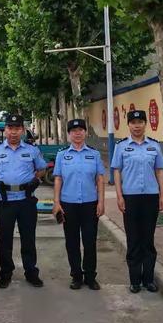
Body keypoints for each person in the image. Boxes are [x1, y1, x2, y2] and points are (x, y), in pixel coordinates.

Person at [0, 113, 47, 289]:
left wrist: (35, 180)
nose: (13, 132)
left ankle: (31, 272)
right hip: (5, 201)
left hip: (26, 200)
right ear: (5, 130)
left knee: (28, 239)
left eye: (17, 128)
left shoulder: (31, 151)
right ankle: (6, 273)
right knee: (5, 240)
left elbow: (41, 169)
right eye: (10, 128)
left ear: (23, 130)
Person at [111, 110, 163, 294]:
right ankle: (135, 280)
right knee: (133, 239)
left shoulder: (154, 145)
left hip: (151, 197)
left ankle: (148, 280)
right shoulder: (121, 146)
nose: (137, 125)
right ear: (129, 125)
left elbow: (159, 171)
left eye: (140, 122)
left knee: (148, 240)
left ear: (145, 124)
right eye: (133, 122)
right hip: (130, 198)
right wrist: (119, 196)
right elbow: (117, 172)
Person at [52, 119, 105, 290]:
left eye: (81, 130)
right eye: (74, 130)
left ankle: (90, 276)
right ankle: (76, 276)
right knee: (72, 242)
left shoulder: (94, 154)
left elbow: (100, 179)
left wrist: (101, 202)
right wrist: (56, 202)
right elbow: (58, 178)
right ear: (68, 134)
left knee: (90, 241)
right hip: (69, 205)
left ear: (86, 133)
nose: (77, 133)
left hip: (90, 204)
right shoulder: (62, 155)